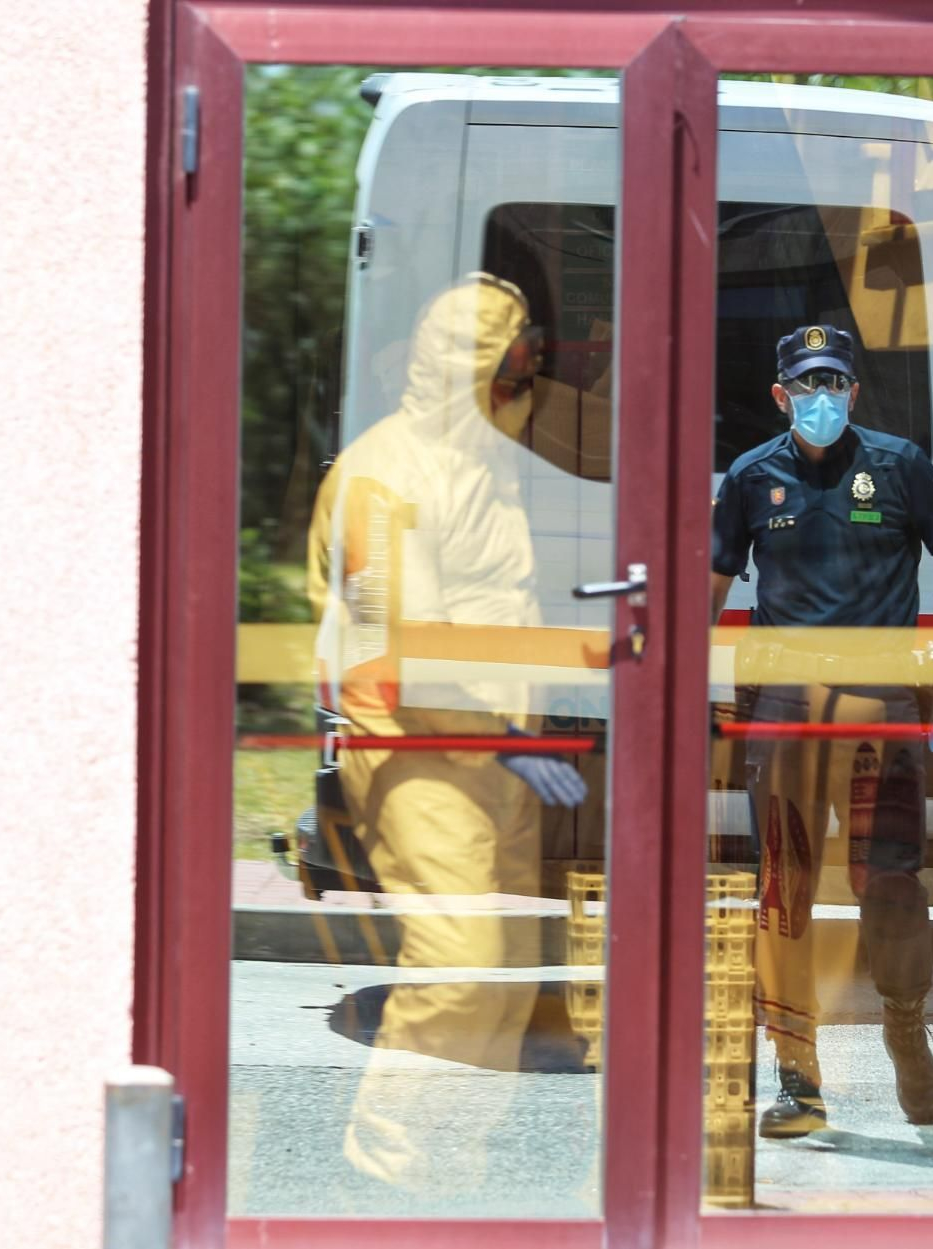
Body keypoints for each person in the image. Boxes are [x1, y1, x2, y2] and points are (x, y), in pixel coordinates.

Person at [307, 271, 590, 1195]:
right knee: (460, 962)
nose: (530, 384)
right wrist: (506, 734)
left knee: (506, 967)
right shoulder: (384, 473)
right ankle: (382, 1168)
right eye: (519, 365)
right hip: (415, 750)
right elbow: (406, 643)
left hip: (497, 749)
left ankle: (450, 1170)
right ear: (476, 369)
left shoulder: (482, 459)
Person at [710, 324, 933, 1138]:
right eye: (807, 385)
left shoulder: (898, 466)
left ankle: (904, 1026)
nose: (821, 398)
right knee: (783, 894)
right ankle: (799, 1077)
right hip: (787, 713)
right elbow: (711, 583)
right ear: (780, 394)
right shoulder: (751, 479)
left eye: (835, 383)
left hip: (881, 712)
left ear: (854, 392)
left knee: (891, 886)